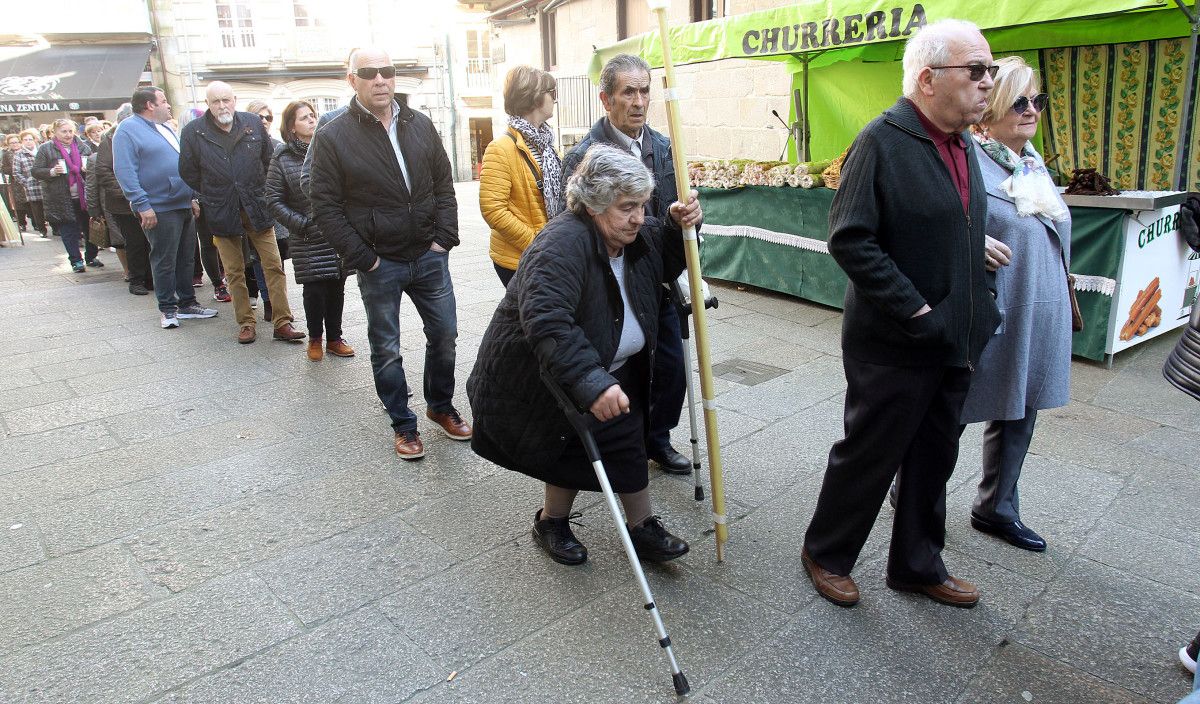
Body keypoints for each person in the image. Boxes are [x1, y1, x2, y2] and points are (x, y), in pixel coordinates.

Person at [800, 19, 1001, 610]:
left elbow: (947, 219)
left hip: (956, 337)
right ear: (928, 78)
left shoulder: (963, 141)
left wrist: (976, 293)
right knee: (871, 452)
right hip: (894, 339)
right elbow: (851, 239)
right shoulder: (880, 142)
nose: (989, 82)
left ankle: (916, 564)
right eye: (976, 70)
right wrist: (917, 310)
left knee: (934, 456)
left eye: (990, 69)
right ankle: (826, 553)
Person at [468, 145, 701, 565]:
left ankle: (641, 526)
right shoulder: (559, 244)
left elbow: (664, 265)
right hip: (552, 374)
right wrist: (591, 382)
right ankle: (551, 521)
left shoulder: (635, 234)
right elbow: (548, 321)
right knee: (568, 446)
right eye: (627, 207)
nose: (637, 217)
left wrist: (675, 226)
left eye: (643, 205)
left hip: (610, 367)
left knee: (628, 444)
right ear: (594, 204)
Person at [309, 46, 470, 460]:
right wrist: (365, 258)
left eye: (387, 71)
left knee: (446, 335)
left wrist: (444, 237)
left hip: (429, 255)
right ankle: (403, 423)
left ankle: (439, 406)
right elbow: (325, 206)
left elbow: (443, 184)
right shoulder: (333, 136)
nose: (380, 79)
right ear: (352, 80)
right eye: (369, 72)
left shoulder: (419, 123)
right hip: (380, 262)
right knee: (387, 346)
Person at [960, 56, 1072, 552]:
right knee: (953, 406)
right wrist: (967, 240)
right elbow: (939, 222)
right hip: (993, 308)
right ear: (988, 109)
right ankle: (913, 490)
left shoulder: (1030, 161)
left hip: (1038, 303)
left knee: (1022, 405)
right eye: (1019, 102)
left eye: (1037, 101)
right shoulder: (967, 158)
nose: (1032, 111)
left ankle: (998, 506)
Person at [562, 53, 692, 476]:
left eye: (644, 91)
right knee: (624, 368)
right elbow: (568, 225)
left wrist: (684, 219)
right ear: (605, 99)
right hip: (611, 280)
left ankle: (658, 438)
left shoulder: (663, 145)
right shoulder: (585, 155)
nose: (638, 101)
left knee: (670, 368)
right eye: (628, 92)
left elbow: (673, 206)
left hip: (659, 279)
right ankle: (620, 443)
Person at [179, 81, 303, 344]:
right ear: (208, 104)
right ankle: (246, 323)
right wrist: (212, 192)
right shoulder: (194, 132)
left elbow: (269, 161)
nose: (222, 106)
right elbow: (188, 171)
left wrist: (262, 191)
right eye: (216, 101)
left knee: (273, 264)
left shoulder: (252, 123)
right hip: (221, 209)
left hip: (256, 205)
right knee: (234, 271)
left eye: (226, 100)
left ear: (234, 100)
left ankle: (283, 322)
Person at [113, 85, 218, 328]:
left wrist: (190, 196)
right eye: (163, 101)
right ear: (150, 105)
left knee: (185, 258)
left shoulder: (164, 128)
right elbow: (125, 171)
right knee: (165, 259)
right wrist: (142, 204)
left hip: (181, 203)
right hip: (158, 207)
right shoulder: (128, 130)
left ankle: (187, 303)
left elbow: (180, 163)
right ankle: (168, 308)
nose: (168, 105)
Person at [266, 99, 354, 362]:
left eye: (313, 116)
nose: (312, 120)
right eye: (304, 118)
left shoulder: (330, 148)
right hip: (307, 234)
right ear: (291, 127)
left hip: (335, 231)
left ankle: (335, 338)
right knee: (314, 289)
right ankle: (315, 339)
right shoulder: (282, 156)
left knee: (337, 286)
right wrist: (301, 223)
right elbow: (273, 199)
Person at [480, 65, 563, 286]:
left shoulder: (545, 144)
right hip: (519, 259)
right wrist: (536, 242)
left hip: (547, 253)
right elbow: (493, 209)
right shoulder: (501, 148)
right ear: (535, 97)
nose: (555, 99)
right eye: (552, 93)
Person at [96, 102, 153, 295]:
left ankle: (151, 278)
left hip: (148, 198)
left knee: (151, 242)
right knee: (135, 242)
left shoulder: (146, 135)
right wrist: (129, 191)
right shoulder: (109, 141)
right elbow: (103, 172)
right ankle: (136, 279)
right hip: (124, 205)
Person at [32, 119, 100, 272]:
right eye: (64, 131)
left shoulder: (83, 146)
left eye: (70, 131)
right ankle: (76, 260)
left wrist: (87, 169)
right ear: (55, 132)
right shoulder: (46, 149)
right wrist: (51, 172)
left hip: (84, 195)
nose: (68, 134)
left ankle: (91, 256)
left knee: (90, 228)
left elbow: (94, 166)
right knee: (69, 230)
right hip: (60, 197)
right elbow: (36, 171)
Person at [13, 129, 47, 237]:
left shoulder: (41, 150)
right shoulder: (19, 154)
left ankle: (55, 228)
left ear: (35, 140)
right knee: (37, 209)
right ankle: (42, 229)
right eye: (25, 139)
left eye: (30, 139)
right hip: (32, 186)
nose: (28, 141)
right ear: (22, 141)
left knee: (49, 206)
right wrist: (26, 182)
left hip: (46, 183)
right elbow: (16, 172)